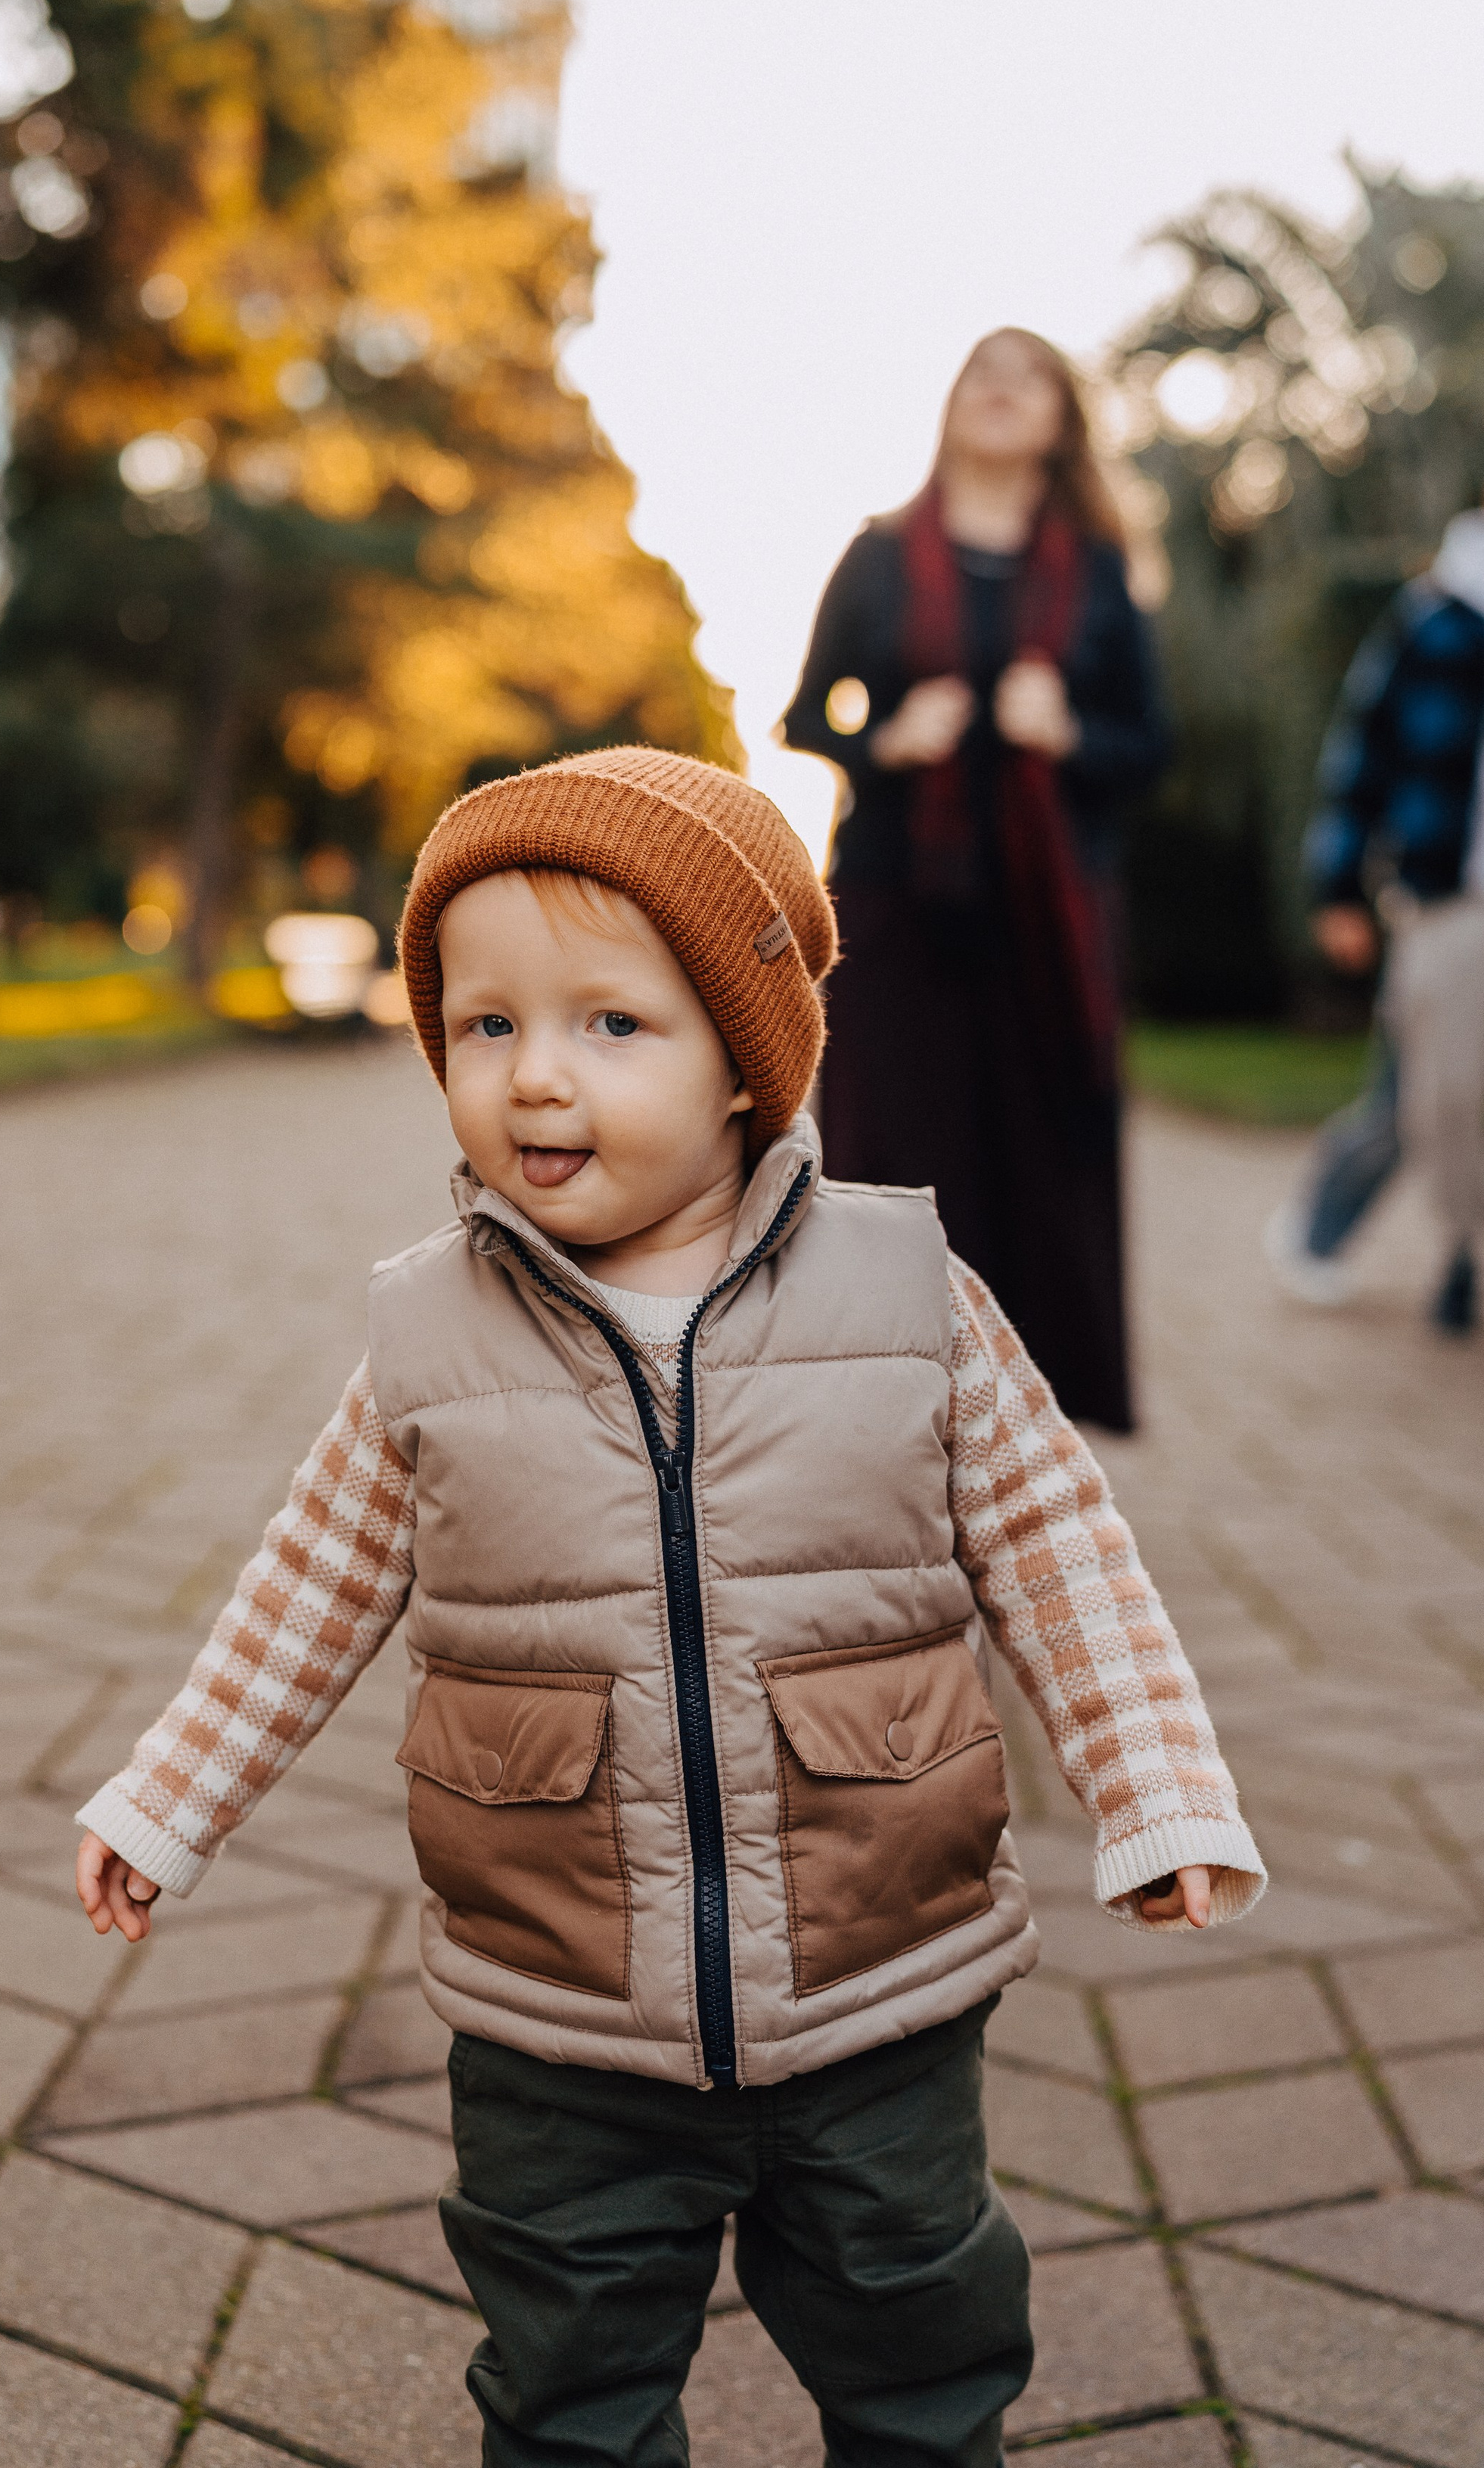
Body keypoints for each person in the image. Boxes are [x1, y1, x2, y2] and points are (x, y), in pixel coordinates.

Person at [74, 748, 1262, 2468]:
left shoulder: (908, 1294)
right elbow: (307, 1585)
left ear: (744, 1060)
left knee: (923, 2342)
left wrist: (1154, 1785)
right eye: (484, 1024)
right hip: (555, 2007)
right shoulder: (427, 1338)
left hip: (879, 1980)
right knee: (567, 2380)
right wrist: (170, 1796)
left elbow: (1056, 1545)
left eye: (609, 1023)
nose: (534, 1074)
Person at [782, 329, 1170, 1432]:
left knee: (1043, 1157)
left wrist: (1072, 735)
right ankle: (882, 1409)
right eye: (982, 373)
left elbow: (1151, 746)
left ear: (1062, 419)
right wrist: (885, 739)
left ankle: (1030, 1429)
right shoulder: (878, 555)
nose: (1001, 389)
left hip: (1051, 923)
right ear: (951, 406)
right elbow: (806, 715)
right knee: (894, 1157)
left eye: (1028, 375)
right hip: (900, 905)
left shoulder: (1098, 572)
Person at [1267, 507, 1484, 1333]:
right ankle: (1324, 1230)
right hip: (1448, 902)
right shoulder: (1435, 617)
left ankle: (1464, 1264)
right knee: (1420, 1096)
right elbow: (1362, 753)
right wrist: (1337, 887)